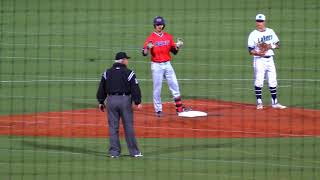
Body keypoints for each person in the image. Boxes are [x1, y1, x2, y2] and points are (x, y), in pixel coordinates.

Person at [96, 52, 143, 158]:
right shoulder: (129, 72)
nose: (127, 61)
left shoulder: (107, 73)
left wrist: (101, 102)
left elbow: (101, 88)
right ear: (122, 60)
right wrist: (137, 102)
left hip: (111, 101)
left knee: (113, 127)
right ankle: (134, 152)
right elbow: (135, 88)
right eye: (126, 59)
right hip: (125, 101)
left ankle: (114, 153)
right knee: (128, 127)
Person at [142, 16, 188, 117]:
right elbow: (144, 53)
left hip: (167, 64)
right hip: (156, 65)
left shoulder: (168, 36)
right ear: (155, 25)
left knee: (174, 85)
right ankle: (158, 110)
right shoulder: (151, 38)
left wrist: (178, 46)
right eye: (158, 24)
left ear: (163, 25)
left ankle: (179, 108)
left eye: (161, 24)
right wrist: (147, 48)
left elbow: (174, 51)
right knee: (157, 88)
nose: (159, 26)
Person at [247, 14, 287, 110]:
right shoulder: (253, 34)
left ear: (264, 21)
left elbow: (278, 44)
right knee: (259, 81)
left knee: (273, 81)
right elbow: (250, 50)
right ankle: (259, 103)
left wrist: (269, 46)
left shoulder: (270, 31)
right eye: (257, 21)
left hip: (270, 60)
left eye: (261, 21)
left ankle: (275, 103)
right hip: (259, 60)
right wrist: (258, 53)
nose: (259, 23)